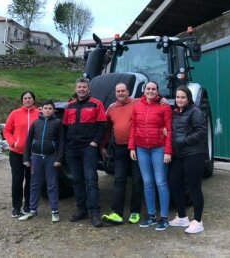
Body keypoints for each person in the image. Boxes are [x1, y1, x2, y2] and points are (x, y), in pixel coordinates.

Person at [62, 78, 107, 228]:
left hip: (88, 148)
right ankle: (82, 210)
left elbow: (102, 125)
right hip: (72, 149)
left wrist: (95, 142)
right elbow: (65, 127)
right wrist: (66, 146)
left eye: (84, 87)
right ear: (76, 89)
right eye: (79, 87)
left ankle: (94, 212)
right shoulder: (70, 106)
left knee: (91, 180)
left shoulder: (96, 103)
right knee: (77, 180)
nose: (81, 89)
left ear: (88, 90)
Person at [128, 81, 172, 231]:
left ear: (158, 91)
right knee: (147, 182)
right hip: (141, 148)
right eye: (148, 89)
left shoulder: (164, 106)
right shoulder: (137, 106)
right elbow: (134, 127)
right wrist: (132, 147)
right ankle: (152, 215)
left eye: (153, 89)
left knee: (160, 182)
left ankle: (164, 217)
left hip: (158, 148)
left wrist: (167, 151)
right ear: (144, 90)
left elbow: (169, 129)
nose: (151, 91)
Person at [100, 83, 144, 225]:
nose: (120, 93)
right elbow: (106, 129)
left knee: (137, 180)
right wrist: (103, 146)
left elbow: (152, 98)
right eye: (118, 91)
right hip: (119, 149)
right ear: (115, 93)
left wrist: (161, 99)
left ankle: (135, 212)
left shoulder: (137, 102)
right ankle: (117, 213)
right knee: (119, 180)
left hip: (136, 148)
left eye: (123, 91)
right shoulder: (112, 108)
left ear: (128, 92)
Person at [168, 86, 207, 234]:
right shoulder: (175, 113)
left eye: (183, 97)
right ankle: (182, 216)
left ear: (188, 98)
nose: (179, 100)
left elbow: (201, 132)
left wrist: (183, 140)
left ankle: (198, 221)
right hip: (179, 154)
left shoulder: (195, 112)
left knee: (194, 187)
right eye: (177, 97)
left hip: (194, 154)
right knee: (174, 183)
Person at [18, 100, 65, 223]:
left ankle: (54, 211)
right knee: (34, 184)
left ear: (54, 110)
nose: (47, 110)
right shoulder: (35, 123)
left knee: (52, 185)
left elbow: (61, 142)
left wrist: (59, 159)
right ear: (41, 109)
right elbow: (28, 142)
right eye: (45, 108)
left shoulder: (57, 123)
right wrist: (26, 158)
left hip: (51, 158)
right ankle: (33, 210)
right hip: (36, 157)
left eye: (50, 108)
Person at [4, 91, 39, 218]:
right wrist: (13, 143)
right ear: (22, 101)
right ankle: (16, 207)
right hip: (16, 153)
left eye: (30, 98)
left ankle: (28, 206)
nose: (28, 100)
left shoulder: (39, 114)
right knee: (17, 180)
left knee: (31, 180)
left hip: (33, 153)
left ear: (34, 100)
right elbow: (7, 130)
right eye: (25, 98)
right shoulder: (15, 113)